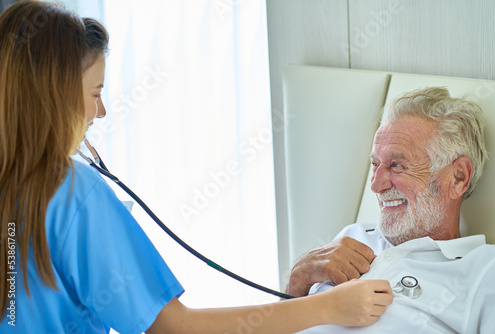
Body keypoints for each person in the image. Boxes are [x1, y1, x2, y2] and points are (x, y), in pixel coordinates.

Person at [0, 1, 394, 333]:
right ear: (53, 95)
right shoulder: (74, 193)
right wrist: (329, 308)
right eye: (95, 94)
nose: (99, 112)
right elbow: (172, 327)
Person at [286, 87, 495, 333]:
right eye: (375, 164)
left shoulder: (487, 269)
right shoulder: (352, 236)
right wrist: (298, 280)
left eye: (397, 165)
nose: (376, 185)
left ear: (458, 177)